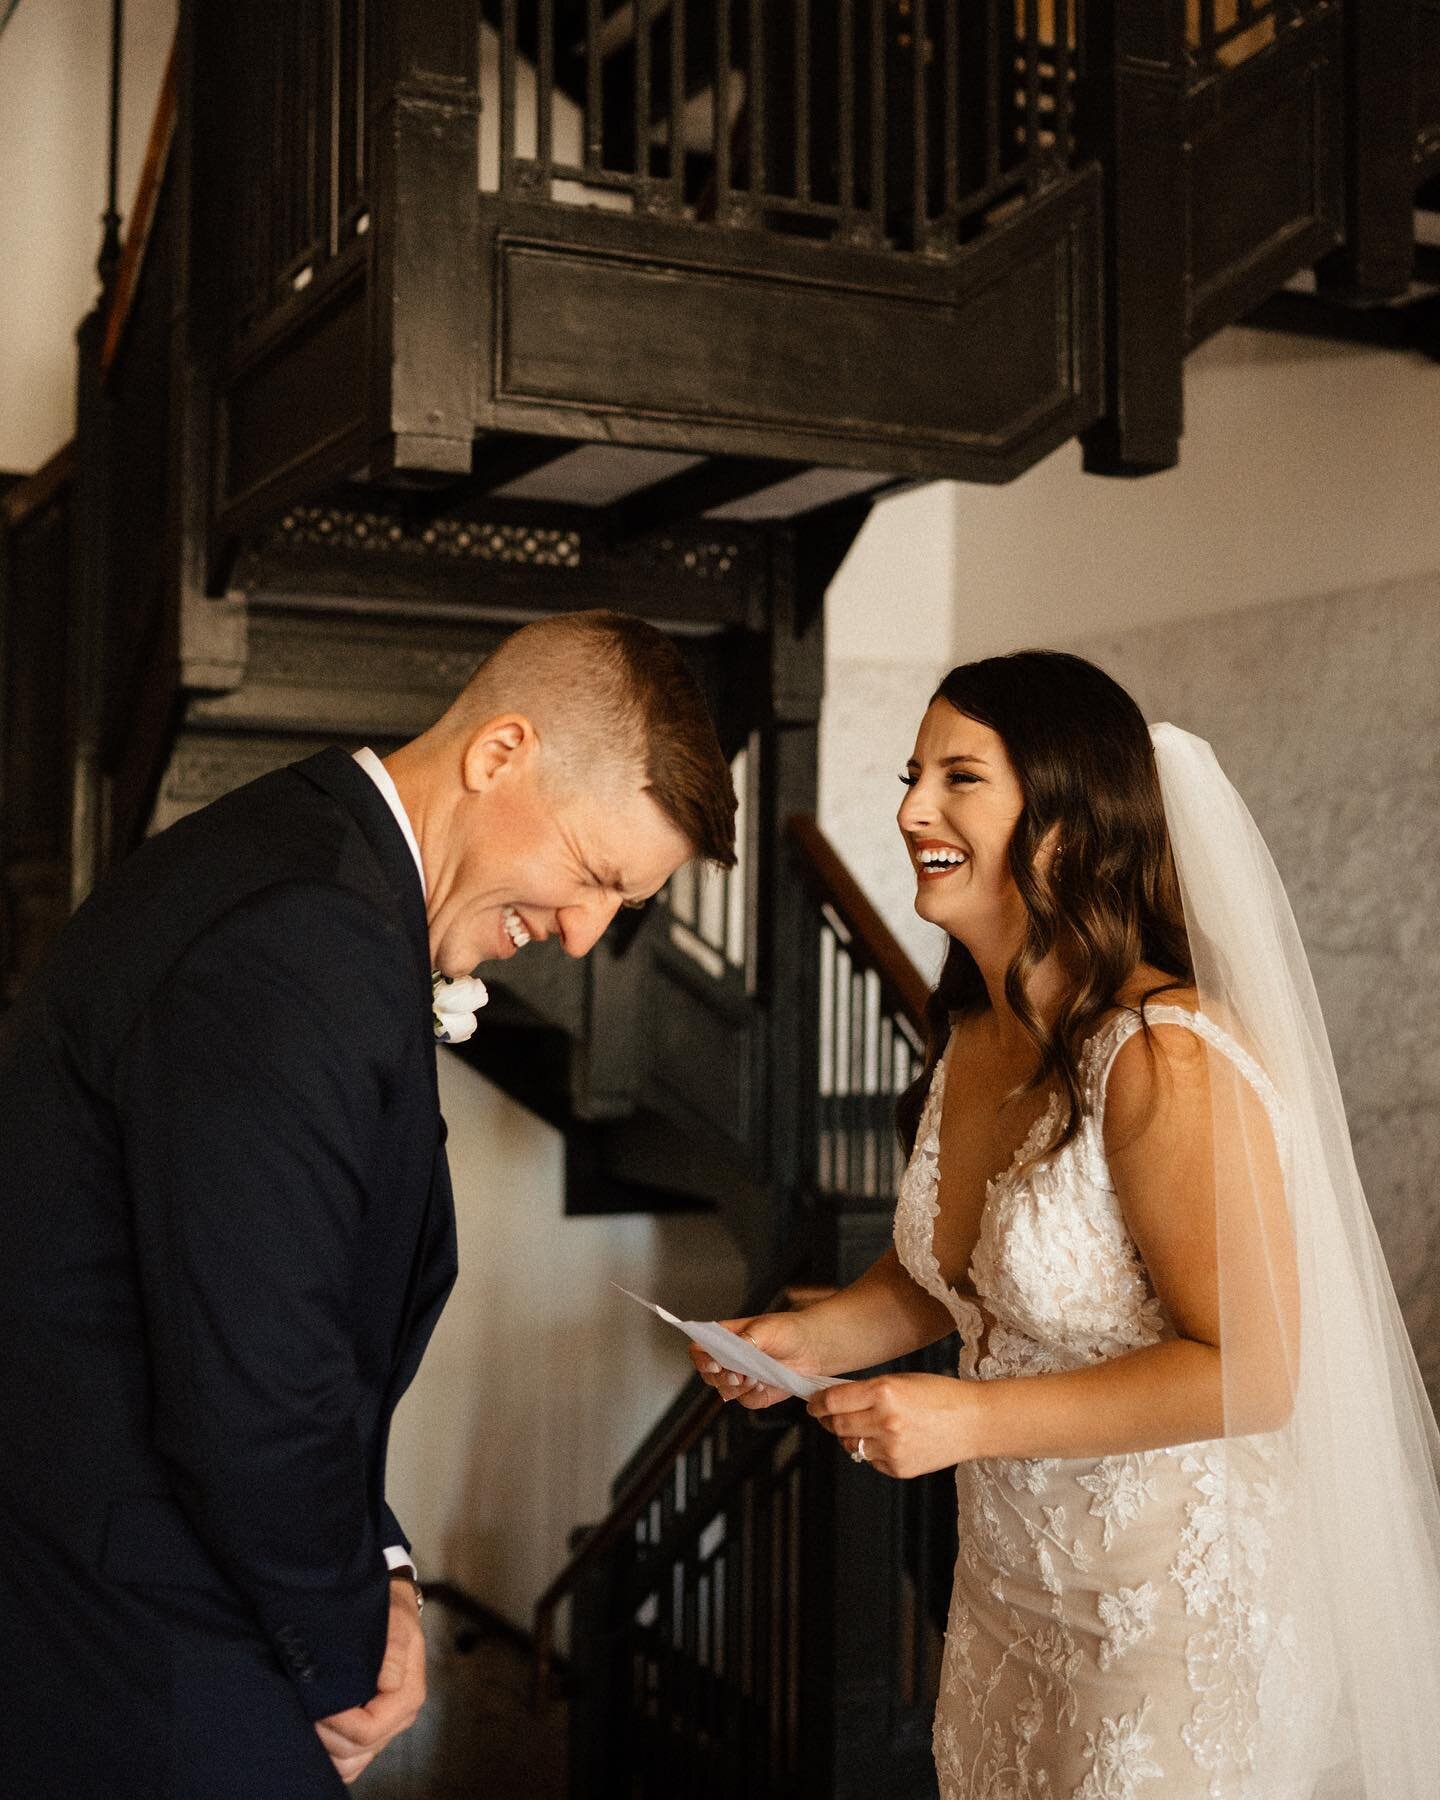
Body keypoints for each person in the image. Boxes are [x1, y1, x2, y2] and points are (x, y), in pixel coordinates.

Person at [0, 608, 735, 1799]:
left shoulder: (314, 868)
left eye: (626, 904)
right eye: (596, 876)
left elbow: (286, 1315)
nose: (585, 933)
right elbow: (255, 1377)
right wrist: (349, 1644)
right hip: (141, 1630)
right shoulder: (304, 933)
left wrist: (384, 1561)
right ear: (500, 755)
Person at [693, 650, 1440, 1798]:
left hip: (1174, 1627)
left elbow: (1256, 1370)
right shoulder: (975, 1036)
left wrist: (969, 1419)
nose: (910, 811)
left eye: (959, 778)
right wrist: (814, 1340)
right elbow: (963, 1272)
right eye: (912, 776)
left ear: (1063, 817)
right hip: (1010, 1603)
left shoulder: (1163, 1056)